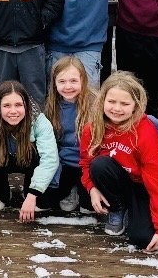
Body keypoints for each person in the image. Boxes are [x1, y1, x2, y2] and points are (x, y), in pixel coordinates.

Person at [80, 72, 158, 251]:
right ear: (102, 100)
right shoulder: (93, 128)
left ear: (136, 105)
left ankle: (148, 206)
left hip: (143, 185)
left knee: (143, 239)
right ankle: (118, 208)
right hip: (116, 183)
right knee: (99, 165)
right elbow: (85, 163)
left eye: (125, 103)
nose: (117, 108)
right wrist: (92, 188)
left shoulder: (146, 131)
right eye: (111, 101)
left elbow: (156, 181)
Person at [0, 81, 57, 227]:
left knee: (38, 157)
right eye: (7, 106)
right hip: (2, 160)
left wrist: (33, 195)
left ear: (25, 105)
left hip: (29, 161)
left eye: (18, 105)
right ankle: (0, 191)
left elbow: (50, 159)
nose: (13, 111)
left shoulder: (39, 121)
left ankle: (29, 189)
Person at [39, 56, 96, 213]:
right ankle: (69, 188)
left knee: (89, 207)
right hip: (63, 163)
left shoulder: (96, 104)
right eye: (62, 81)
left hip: (89, 164)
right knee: (44, 202)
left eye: (73, 81)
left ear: (83, 80)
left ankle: (81, 190)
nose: (68, 86)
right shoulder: (51, 107)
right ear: (55, 83)